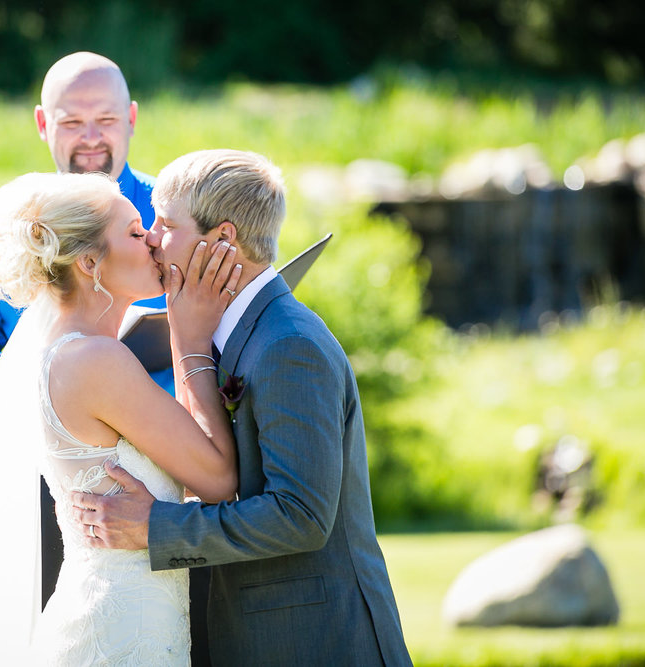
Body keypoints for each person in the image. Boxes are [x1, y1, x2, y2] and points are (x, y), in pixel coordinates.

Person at [72, 150, 414, 666]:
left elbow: (299, 516)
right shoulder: (230, 331)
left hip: (314, 641)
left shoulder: (287, 345)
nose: (154, 239)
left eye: (166, 224)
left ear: (224, 239)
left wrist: (154, 527)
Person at [0, 171, 243, 664]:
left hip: (117, 612)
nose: (151, 239)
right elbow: (218, 478)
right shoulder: (95, 362)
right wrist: (190, 339)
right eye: (132, 232)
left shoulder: (70, 350)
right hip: (124, 630)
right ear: (88, 262)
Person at [0, 51, 165, 409]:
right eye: (71, 122)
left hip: (172, 442)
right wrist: (59, 382)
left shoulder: (177, 216)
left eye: (106, 118)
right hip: (51, 453)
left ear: (131, 118)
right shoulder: (11, 228)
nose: (91, 137)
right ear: (43, 123)